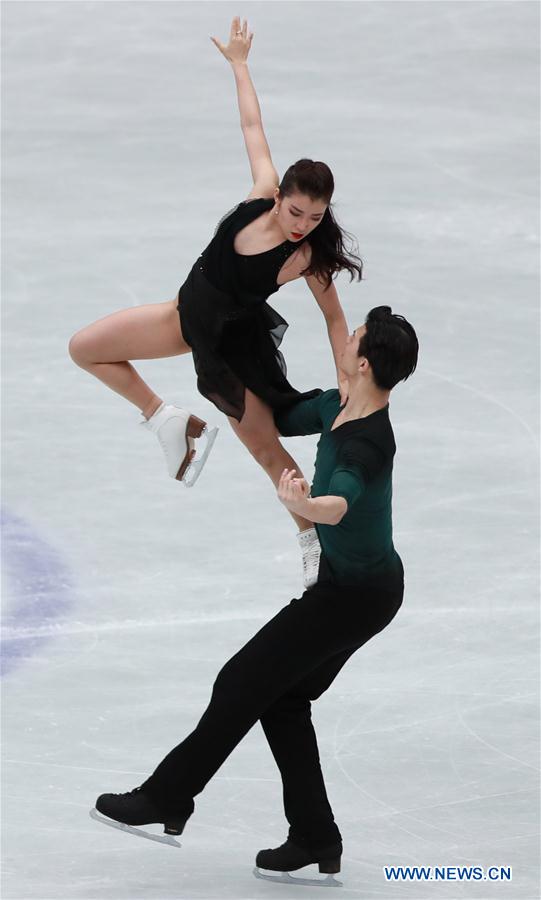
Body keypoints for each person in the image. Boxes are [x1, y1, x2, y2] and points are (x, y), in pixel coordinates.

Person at [91, 306, 419, 883]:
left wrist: (302, 506)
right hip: (360, 587)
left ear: (364, 364)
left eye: (355, 343)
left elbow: (339, 503)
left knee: (241, 682)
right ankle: (316, 836)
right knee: (282, 701)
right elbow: (284, 411)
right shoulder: (336, 404)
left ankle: (168, 796)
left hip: (356, 597)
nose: (345, 346)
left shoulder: (369, 441)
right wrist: (245, 357)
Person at [68, 16, 363, 586]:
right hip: (183, 319)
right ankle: (169, 421)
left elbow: (334, 319)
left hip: (232, 353)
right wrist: (239, 64)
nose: (303, 224)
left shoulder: (305, 257)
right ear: (278, 197)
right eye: (296, 211)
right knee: (86, 348)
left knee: (269, 457)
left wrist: (345, 380)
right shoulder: (260, 192)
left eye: (316, 217)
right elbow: (252, 124)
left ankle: (312, 542)